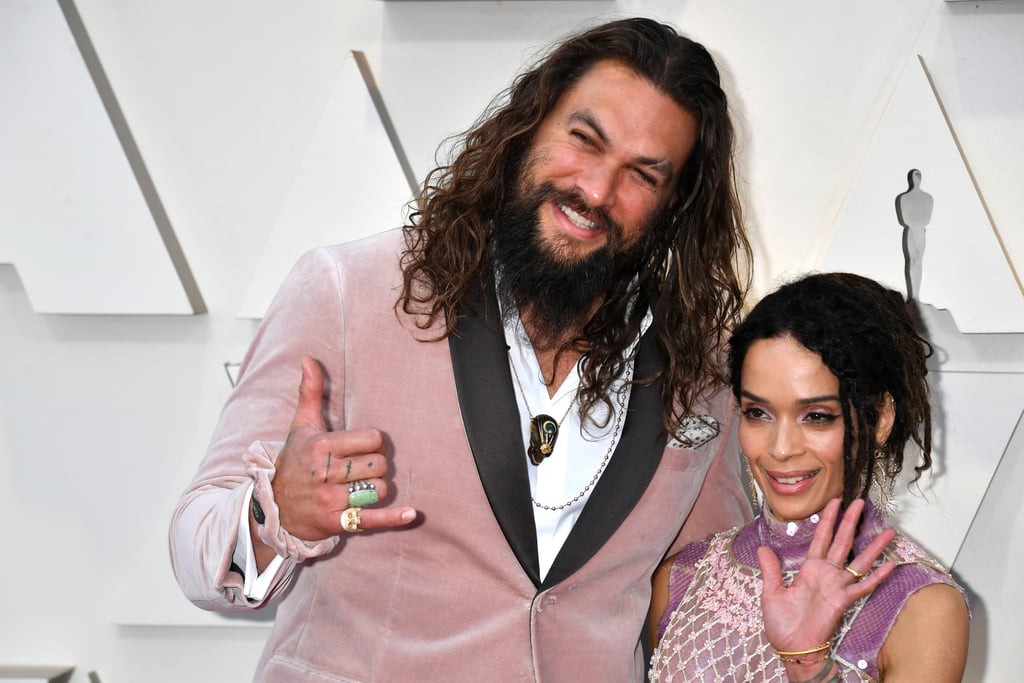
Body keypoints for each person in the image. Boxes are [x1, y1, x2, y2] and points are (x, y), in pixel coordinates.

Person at [170, 17, 755, 682]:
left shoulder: (701, 371)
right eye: (584, 139)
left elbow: (703, 600)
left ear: (676, 206)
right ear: (530, 124)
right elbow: (195, 547)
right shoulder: (349, 292)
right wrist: (273, 513)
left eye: (642, 175)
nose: (595, 190)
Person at [648, 272, 970, 682]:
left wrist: (810, 665)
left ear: (880, 419)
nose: (780, 448)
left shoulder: (920, 605)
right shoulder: (682, 577)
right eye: (757, 413)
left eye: (817, 417)